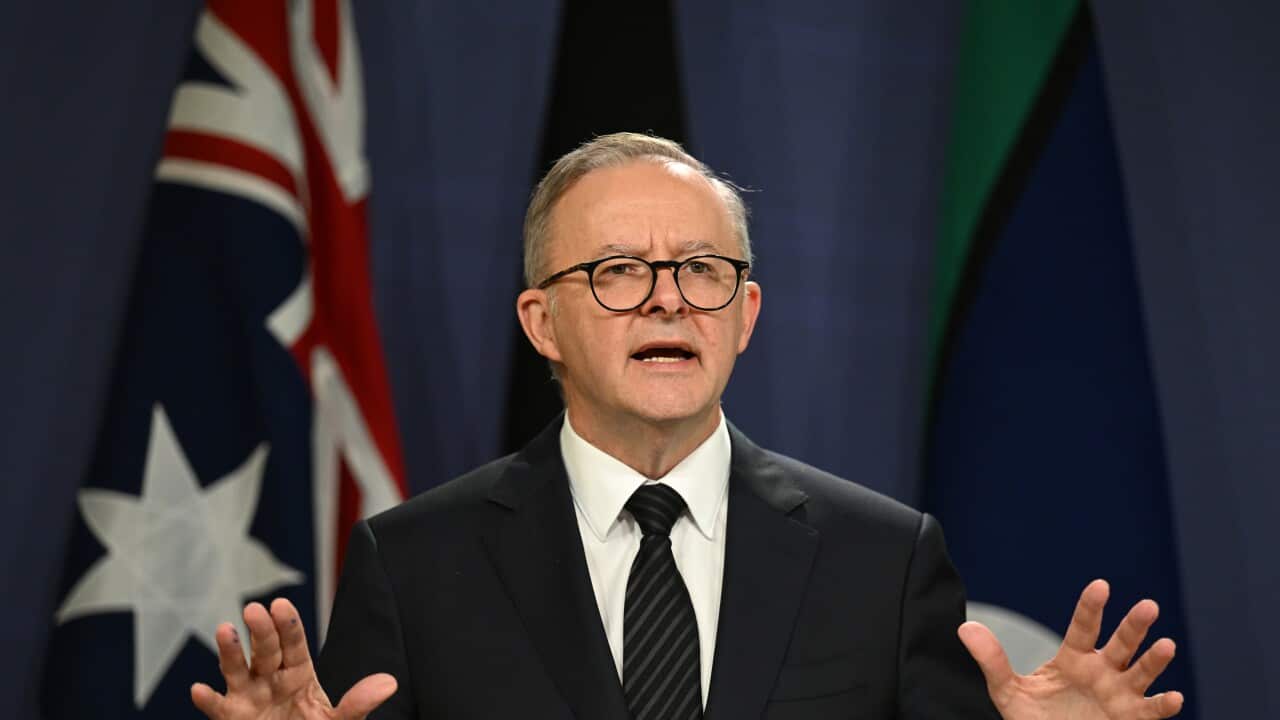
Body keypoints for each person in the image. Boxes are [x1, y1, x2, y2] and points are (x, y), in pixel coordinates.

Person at [191, 133, 1184, 719]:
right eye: (617, 270)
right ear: (543, 323)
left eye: (702, 270)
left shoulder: (881, 560)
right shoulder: (414, 564)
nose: (667, 300)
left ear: (742, 316)